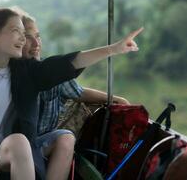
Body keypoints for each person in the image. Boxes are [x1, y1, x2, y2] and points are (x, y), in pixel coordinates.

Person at [0, 8, 142, 180]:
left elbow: (67, 63)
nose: (24, 39)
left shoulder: (27, 72)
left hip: (5, 151)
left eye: (25, 33)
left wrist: (113, 49)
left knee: (20, 141)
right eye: (16, 31)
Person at [15, 9, 130, 180]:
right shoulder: (11, 72)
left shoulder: (50, 71)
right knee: (64, 138)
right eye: (27, 37)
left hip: (40, 143)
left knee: (66, 138)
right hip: (15, 146)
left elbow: (78, 92)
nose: (36, 42)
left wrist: (115, 100)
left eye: (37, 36)